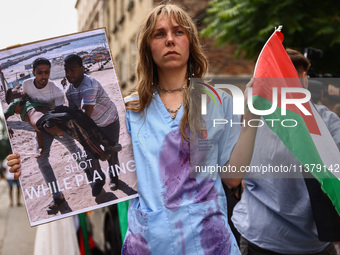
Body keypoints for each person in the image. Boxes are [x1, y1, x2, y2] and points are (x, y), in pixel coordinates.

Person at [8, 3, 259, 254]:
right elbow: (87, 142)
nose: (170, 39)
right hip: (149, 245)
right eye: (159, 34)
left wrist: (250, 121)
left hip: (209, 244)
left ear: (191, 42)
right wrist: (24, 165)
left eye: (179, 32)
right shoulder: (130, 109)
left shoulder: (217, 101)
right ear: (148, 47)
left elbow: (231, 177)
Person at [231, 49, 340, 254]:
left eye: (296, 77)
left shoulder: (326, 120)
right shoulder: (246, 118)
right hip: (260, 241)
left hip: (315, 244)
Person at [21, 57, 85, 214]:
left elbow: (58, 115)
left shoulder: (56, 91)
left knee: (74, 150)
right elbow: (26, 107)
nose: (44, 76)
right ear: (33, 72)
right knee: (42, 160)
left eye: (47, 72)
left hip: (55, 125)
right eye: (40, 73)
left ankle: (93, 174)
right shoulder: (26, 85)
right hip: (39, 128)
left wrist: (55, 129)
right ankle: (58, 197)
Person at [64, 54, 121, 195]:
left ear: (82, 69)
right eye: (66, 70)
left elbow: (84, 114)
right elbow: (74, 112)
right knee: (90, 155)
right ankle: (99, 179)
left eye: (73, 70)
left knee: (111, 151)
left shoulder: (89, 85)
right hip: (90, 125)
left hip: (108, 120)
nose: (69, 74)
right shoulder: (69, 91)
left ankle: (114, 178)